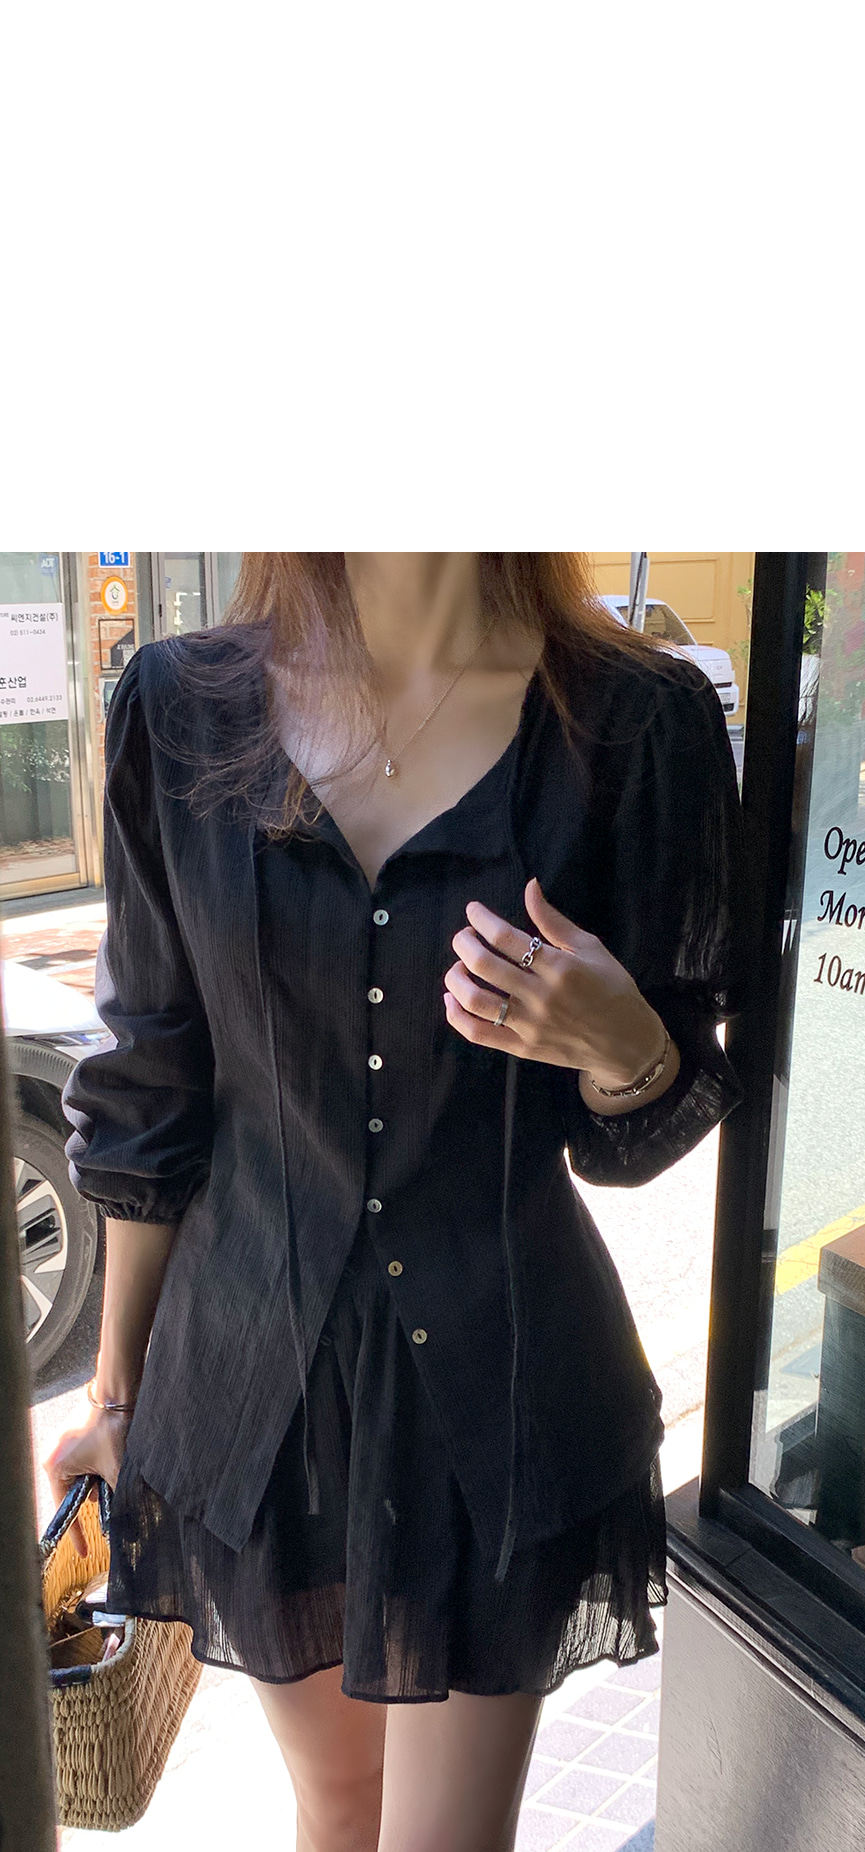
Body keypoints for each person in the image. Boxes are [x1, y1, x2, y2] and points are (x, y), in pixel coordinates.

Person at [46, 553, 745, 1852]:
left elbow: (652, 1125)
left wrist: (623, 1044)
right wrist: (115, 1399)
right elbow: (152, 1081)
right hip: (251, 1398)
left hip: (502, 1389)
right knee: (336, 1806)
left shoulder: (638, 724)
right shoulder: (178, 705)